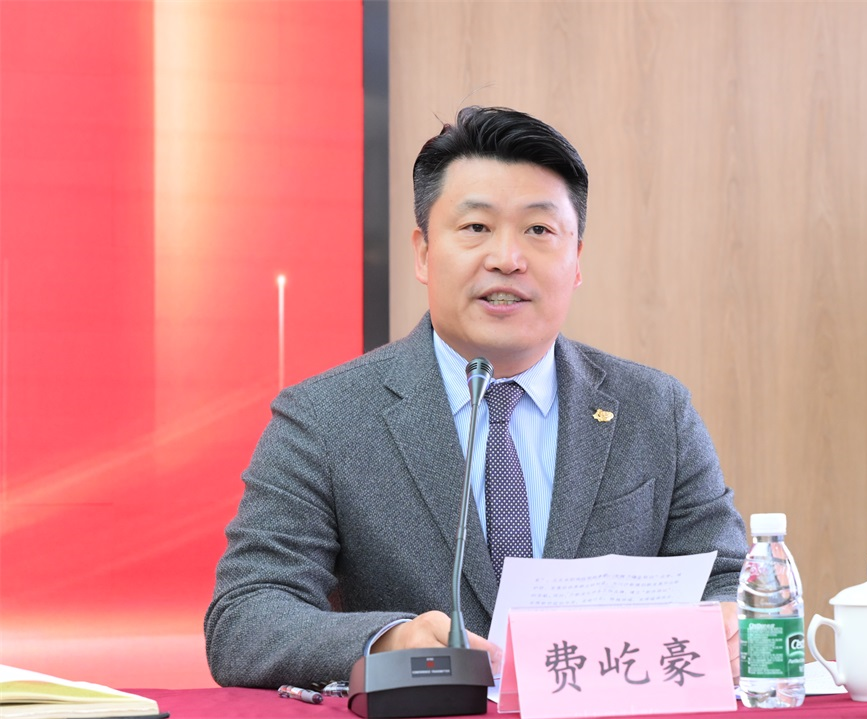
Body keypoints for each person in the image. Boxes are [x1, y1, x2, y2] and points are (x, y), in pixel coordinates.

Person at [204, 106, 747, 689]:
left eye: (539, 231)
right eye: (475, 228)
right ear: (422, 252)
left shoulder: (655, 410)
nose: (506, 259)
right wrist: (389, 640)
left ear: (577, 261)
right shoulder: (323, 419)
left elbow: (727, 578)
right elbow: (245, 619)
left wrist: (728, 621)